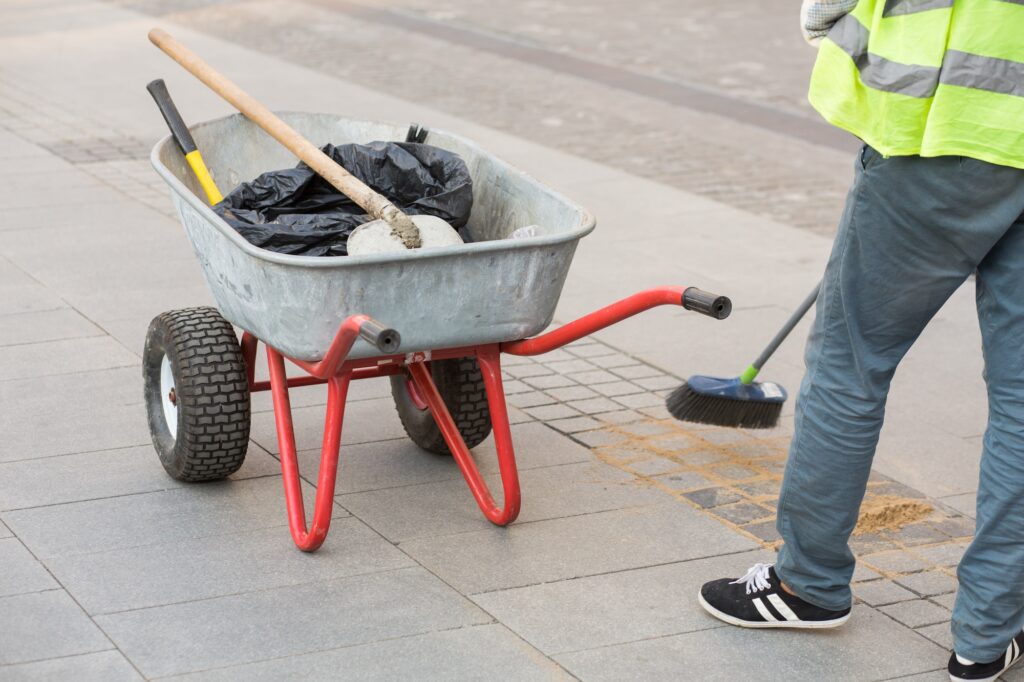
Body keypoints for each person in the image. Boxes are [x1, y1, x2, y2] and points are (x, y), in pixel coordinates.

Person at [696, 2, 1024, 680]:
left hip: (940, 132)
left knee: (851, 365)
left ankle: (806, 585)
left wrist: (827, 24)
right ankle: (987, 638)